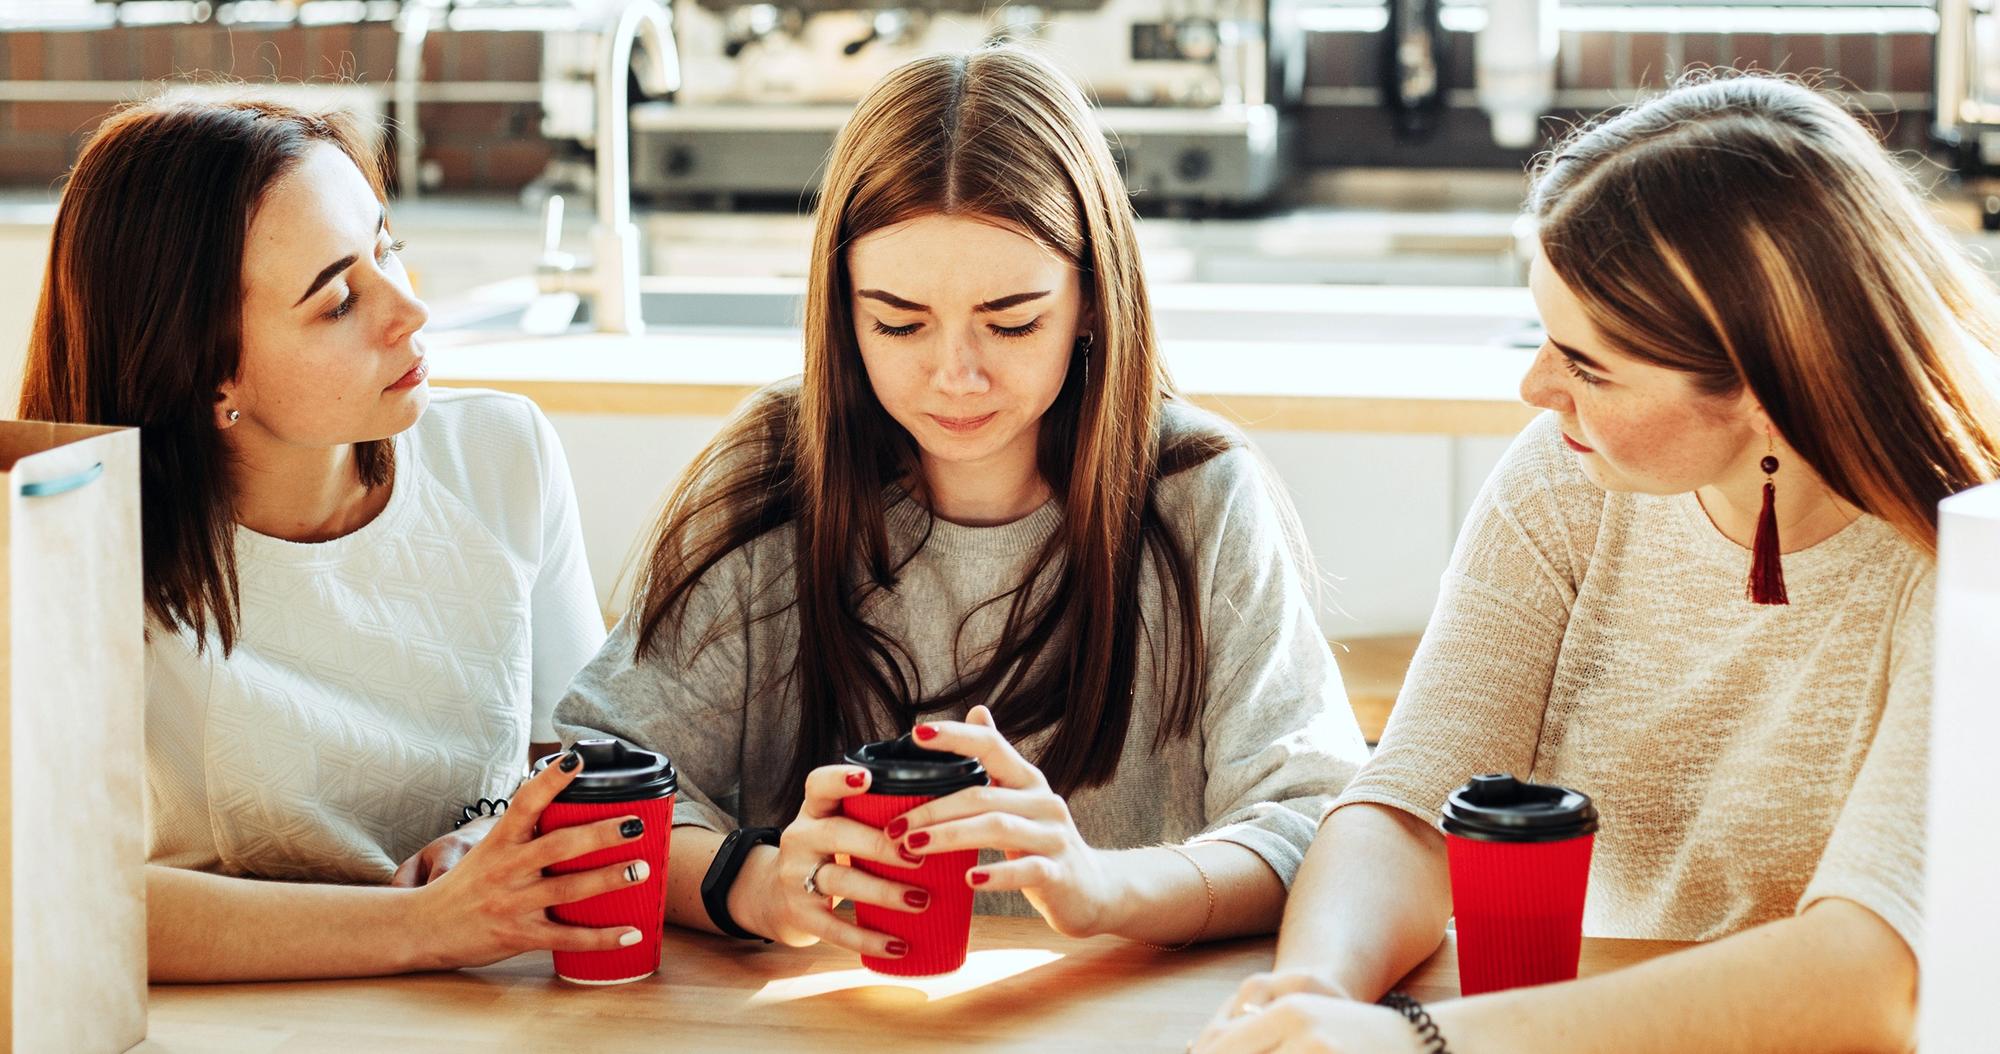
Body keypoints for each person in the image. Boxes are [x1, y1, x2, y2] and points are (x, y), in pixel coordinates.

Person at [1199, 72, 2000, 1053]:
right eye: (1543, 336)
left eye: (1586, 364)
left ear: (1761, 387)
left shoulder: (1966, 554)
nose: (1536, 386)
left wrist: (1418, 1041)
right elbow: (1406, 808)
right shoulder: (1566, 474)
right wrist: (1309, 998)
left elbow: (1870, 978)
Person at [553, 46, 1368, 962]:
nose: (956, 375)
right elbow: (591, 781)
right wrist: (757, 880)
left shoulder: (1197, 494)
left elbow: (1324, 823)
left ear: (1094, 297)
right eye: (897, 322)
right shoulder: (772, 475)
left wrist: (1100, 888)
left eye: (1013, 321)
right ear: (842, 308)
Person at [21, 96, 639, 980]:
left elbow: (575, 755)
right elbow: (66, 892)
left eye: (386, 246)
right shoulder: (77, 540)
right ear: (204, 375)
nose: (410, 311)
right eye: (341, 298)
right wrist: (425, 926)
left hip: (487, 999)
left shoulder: (502, 455)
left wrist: (486, 839)